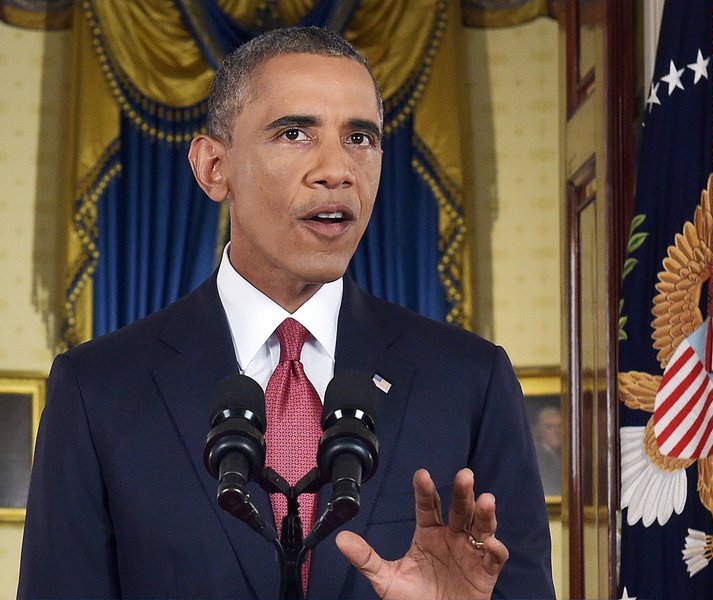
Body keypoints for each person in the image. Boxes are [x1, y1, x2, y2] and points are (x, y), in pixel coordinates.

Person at [18, 26, 554, 599]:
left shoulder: (471, 381)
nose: (337, 170)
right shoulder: (96, 389)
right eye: (295, 133)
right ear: (213, 167)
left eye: (360, 138)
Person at [533, 407, 562, 497]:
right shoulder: (537, 457)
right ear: (539, 430)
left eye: (559, 426)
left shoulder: (565, 456)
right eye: (549, 427)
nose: (556, 431)